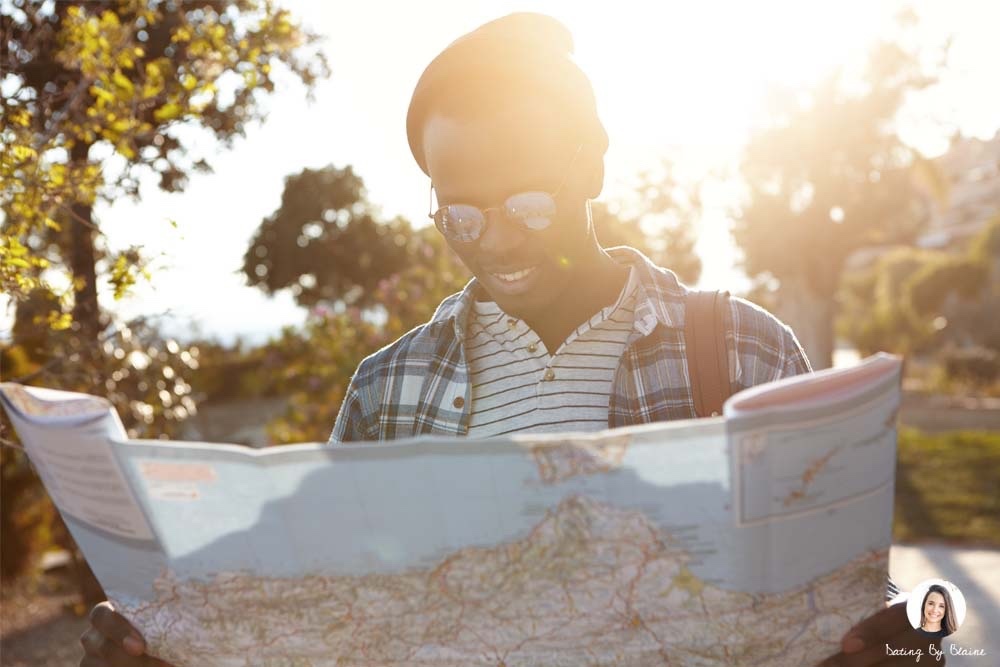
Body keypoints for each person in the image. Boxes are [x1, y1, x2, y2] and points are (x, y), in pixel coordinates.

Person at [80, 13, 934, 667]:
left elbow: (836, 596)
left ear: (591, 164)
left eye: (528, 202)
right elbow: (328, 621)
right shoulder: (387, 392)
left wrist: (898, 640)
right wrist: (168, 642)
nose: (497, 239)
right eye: (460, 213)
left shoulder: (744, 351)